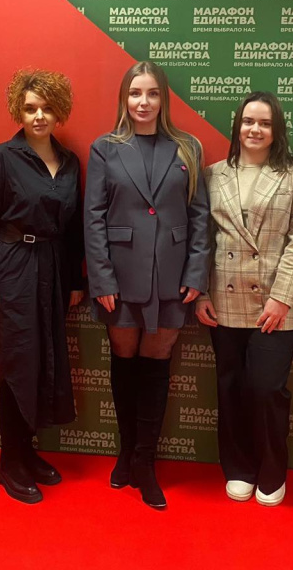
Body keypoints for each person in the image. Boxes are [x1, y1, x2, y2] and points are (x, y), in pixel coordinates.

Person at [84, 61, 209, 509]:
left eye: (152, 93)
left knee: (156, 366)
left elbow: (199, 216)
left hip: (172, 277)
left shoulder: (187, 147)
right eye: (136, 93)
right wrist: (101, 277)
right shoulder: (105, 148)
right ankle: (126, 453)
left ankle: (145, 462)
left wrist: (196, 273)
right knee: (125, 362)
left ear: (163, 99)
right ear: (124, 98)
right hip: (118, 277)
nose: (143, 102)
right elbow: (93, 218)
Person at [195, 92, 293, 507]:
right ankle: (238, 468)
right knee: (230, 387)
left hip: (275, 302)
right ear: (237, 125)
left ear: (276, 129)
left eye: (265, 123)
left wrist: (282, 297)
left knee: (267, 389)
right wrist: (201, 292)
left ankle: (272, 471)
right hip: (223, 298)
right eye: (248, 121)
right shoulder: (214, 174)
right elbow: (201, 239)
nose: (255, 129)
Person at [0, 69, 85, 505]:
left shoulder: (70, 162)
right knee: (17, 363)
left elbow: (73, 230)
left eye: (47, 108)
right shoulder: (1, 157)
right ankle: (9, 462)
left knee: (44, 362)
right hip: (13, 266)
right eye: (30, 108)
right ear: (18, 112)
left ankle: (26, 451)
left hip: (53, 269)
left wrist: (74, 280)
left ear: (59, 113)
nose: (39, 116)